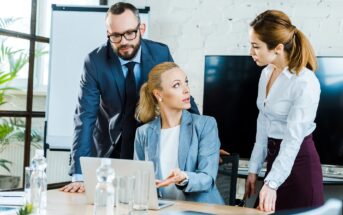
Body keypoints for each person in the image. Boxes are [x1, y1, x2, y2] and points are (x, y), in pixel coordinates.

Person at [60, 2, 199, 193]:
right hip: (109, 148)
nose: (124, 41)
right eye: (115, 36)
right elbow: (84, 117)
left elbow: (180, 94)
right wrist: (79, 175)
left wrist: (203, 140)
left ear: (141, 28)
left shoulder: (160, 53)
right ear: (108, 33)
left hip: (149, 146)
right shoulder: (95, 61)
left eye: (129, 33)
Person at [243, 10, 324, 212]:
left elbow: (292, 140)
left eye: (256, 46)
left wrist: (271, 183)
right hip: (275, 163)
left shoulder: (305, 82)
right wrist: (253, 169)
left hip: (299, 166)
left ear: (278, 48)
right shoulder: (267, 72)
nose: (250, 52)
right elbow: (263, 123)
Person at [134, 62, 224, 204]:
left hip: (201, 210)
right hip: (161, 211)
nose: (186, 90)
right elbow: (138, 179)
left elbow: (207, 178)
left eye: (186, 82)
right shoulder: (143, 133)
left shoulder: (205, 125)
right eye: (177, 85)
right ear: (158, 94)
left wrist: (184, 178)